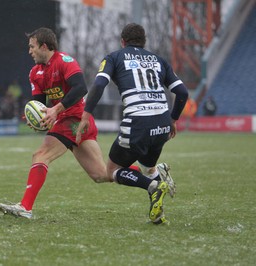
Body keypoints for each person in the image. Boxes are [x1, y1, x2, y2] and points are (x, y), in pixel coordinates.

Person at [0, 27, 143, 219]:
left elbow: (81, 88)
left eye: (32, 47)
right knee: (102, 174)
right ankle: (150, 174)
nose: (29, 51)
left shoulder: (65, 61)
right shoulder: (35, 73)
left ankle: (25, 207)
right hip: (70, 121)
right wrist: (38, 119)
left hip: (76, 118)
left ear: (44, 46)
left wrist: (55, 110)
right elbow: (39, 104)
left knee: (40, 155)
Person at [75, 23, 189, 224]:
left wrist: (86, 115)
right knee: (148, 168)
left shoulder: (114, 57)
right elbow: (182, 93)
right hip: (162, 124)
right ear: (144, 42)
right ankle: (158, 215)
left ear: (122, 41)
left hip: (138, 123)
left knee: (111, 171)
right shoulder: (159, 60)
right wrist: (173, 119)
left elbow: (100, 84)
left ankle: (153, 187)